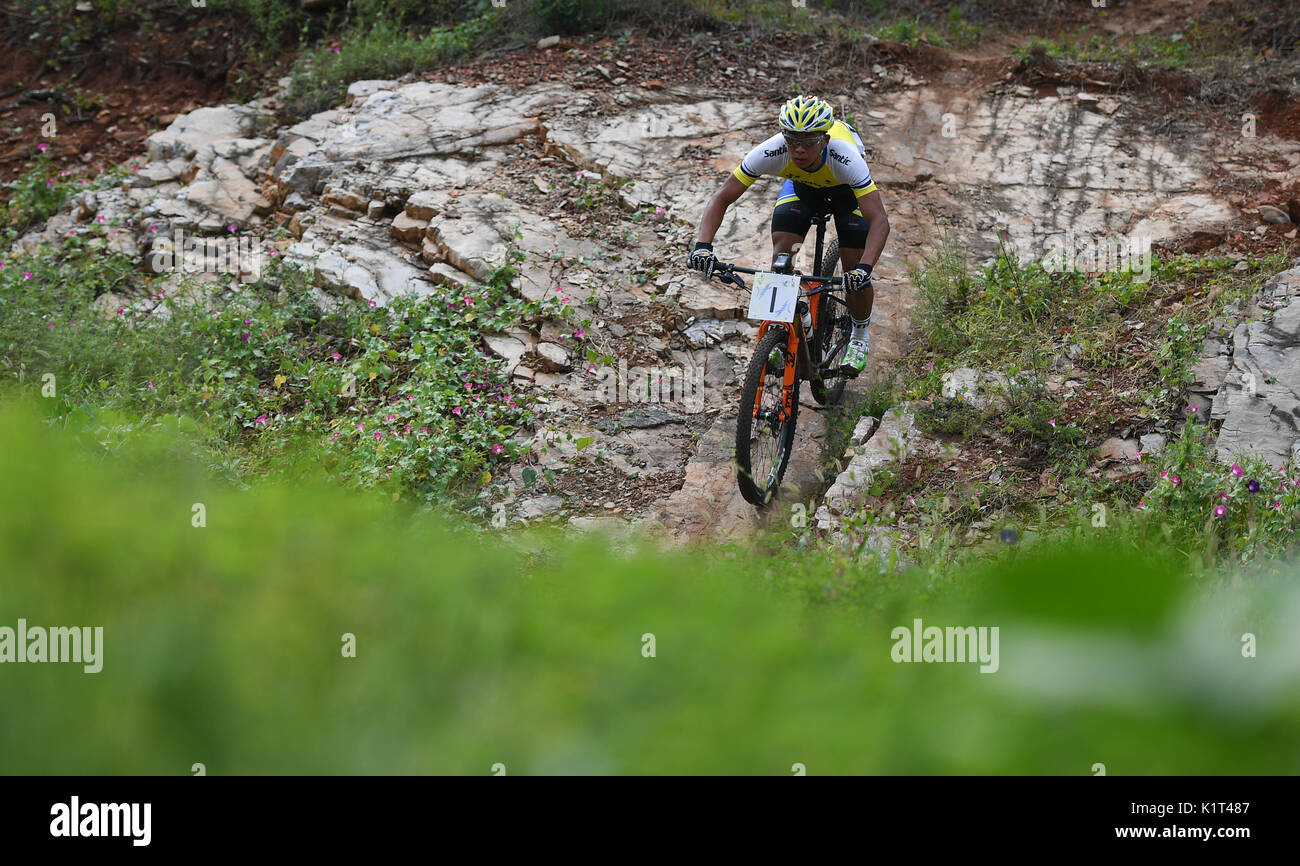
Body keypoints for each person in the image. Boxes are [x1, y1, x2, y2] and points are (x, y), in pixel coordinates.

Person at [687, 94, 890, 372]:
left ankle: (859, 336)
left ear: (825, 141)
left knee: (854, 267)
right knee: (781, 258)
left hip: (846, 196)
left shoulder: (846, 157)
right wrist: (702, 246)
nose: (799, 150)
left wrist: (865, 268)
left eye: (808, 143)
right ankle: (780, 334)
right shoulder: (773, 150)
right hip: (803, 190)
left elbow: (879, 219)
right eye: (792, 141)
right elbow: (723, 197)